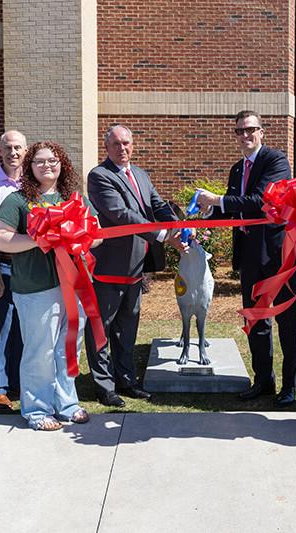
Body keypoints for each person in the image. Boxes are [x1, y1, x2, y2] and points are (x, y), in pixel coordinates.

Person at [195, 110, 296, 407]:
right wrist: (208, 209)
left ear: (261, 131)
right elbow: (233, 207)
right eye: (240, 131)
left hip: (278, 255)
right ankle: (263, 380)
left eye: (250, 129)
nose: (245, 135)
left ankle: (289, 386)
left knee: (286, 320)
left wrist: (217, 200)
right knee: (256, 319)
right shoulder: (237, 169)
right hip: (250, 255)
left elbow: (261, 201)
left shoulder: (276, 161)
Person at [0, 141, 95, 430]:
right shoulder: (18, 201)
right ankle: (37, 410)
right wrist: (39, 240)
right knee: (40, 350)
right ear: (30, 166)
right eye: (39, 161)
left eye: (52, 160)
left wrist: (74, 238)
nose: (46, 165)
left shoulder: (74, 199)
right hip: (36, 288)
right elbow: (1, 239)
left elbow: (96, 233)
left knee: (69, 347)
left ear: (62, 164)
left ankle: (67, 403)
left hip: (75, 285)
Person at [85, 125, 186, 407]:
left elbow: (157, 204)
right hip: (109, 266)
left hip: (136, 266)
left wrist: (177, 225)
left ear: (133, 145)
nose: (123, 148)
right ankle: (104, 387)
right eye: (116, 144)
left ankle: (126, 381)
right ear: (107, 147)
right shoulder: (99, 176)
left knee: (127, 327)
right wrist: (162, 234)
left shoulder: (140, 174)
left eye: (127, 143)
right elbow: (121, 214)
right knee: (101, 329)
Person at [0, 130, 27, 410]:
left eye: (18, 148)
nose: (13, 152)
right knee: (0, 326)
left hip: (29, 265)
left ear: (26, 151)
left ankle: (18, 381)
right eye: (7, 147)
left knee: (24, 326)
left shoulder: (32, 181)